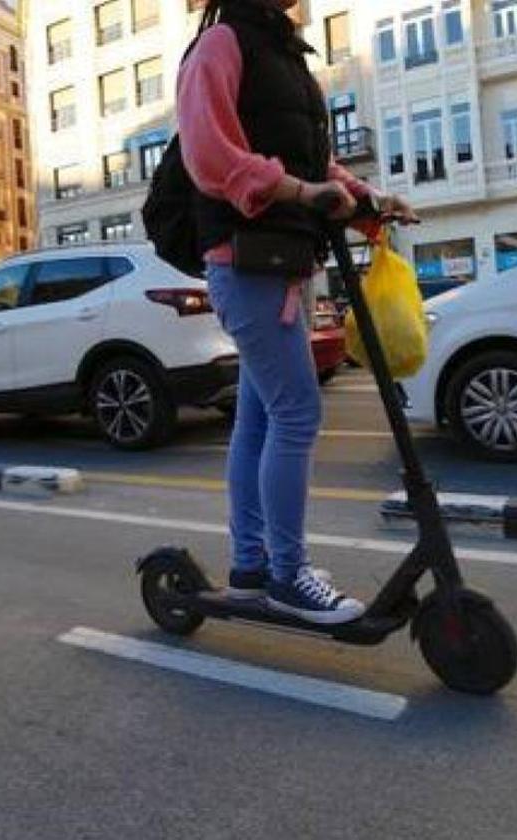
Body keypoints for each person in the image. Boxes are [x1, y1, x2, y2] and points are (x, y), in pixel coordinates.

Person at [177, 0, 417, 625]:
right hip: (246, 261)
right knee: (296, 412)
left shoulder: (282, 53)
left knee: (258, 420)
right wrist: (303, 192)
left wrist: (369, 199)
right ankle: (287, 573)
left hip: (287, 261)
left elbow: (315, 165)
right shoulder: (221, 45)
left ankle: (253, 569)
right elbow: (211, 156)